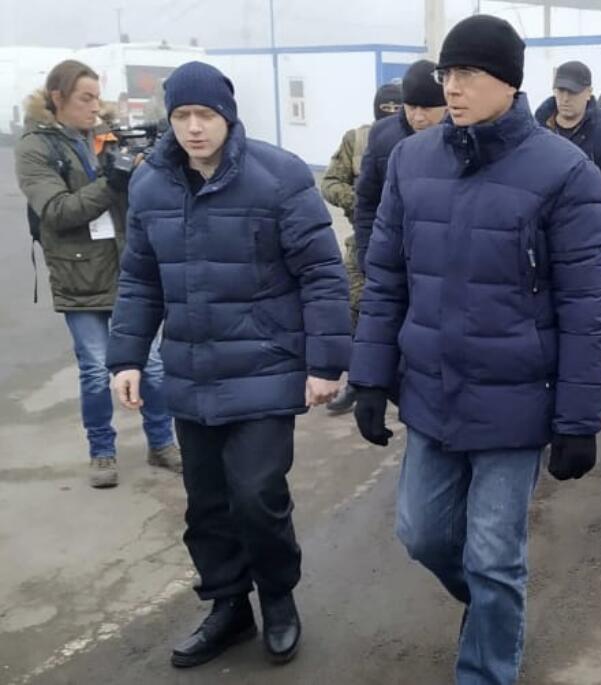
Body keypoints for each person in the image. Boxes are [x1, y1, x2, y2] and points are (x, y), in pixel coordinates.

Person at [348, 16, 601, 685]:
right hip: (432, 387)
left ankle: (487, 666)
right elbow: (387, 278)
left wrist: (579, 420)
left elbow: (586, 310)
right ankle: (495, 607)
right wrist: (371, 376)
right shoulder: (413, 160)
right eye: (447, 74)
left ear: (509, 83)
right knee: (422, 533)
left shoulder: (565, 172)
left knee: (496, 554)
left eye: (468, 75)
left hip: (517, 399)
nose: (452, 88)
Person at [106, 61, 351, 668]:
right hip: (191, 372)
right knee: (207, 503)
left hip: (265, 367)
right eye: (182, 116)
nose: (193, 128)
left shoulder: (279, 177)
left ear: (228, 116)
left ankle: (278, 598)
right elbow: (139, 278)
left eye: (205, 115)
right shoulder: (151, 184)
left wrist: (325, 362)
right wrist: (127, 357)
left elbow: (321, 273)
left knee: (257, 495)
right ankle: (228, 607)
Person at [15, 59, 179, 489]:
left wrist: (144, 166)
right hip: (79, 275)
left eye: (97, 96)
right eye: (85, 98)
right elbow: (56, 211)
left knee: (155, 366)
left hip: (129, 269)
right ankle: (102, 452)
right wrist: (113, 179)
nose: (95, 106)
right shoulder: (36, 147)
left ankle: (162, 443)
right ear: (58, 98)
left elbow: (139, 195)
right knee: (93, 370)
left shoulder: (106, 136)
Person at [535, 60, 601, 359]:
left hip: (591, 240)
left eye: (573, 91)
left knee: (589, 321)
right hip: (543, 239)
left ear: (589, 92)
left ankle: (595, 391)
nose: (565, 98)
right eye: (560, 90)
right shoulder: (536, 128)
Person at [319, 82, 403, 414]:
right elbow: (329, 182)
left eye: (399, 108)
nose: (394, 114)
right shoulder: (358, 139)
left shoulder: (419, 140)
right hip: (362, 239)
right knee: (356, 311)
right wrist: (358, 202)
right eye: (388, 108)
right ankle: (359, 380)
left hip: (403, 241)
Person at [352, 60, 447, 274]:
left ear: (447, 105)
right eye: (412, 107)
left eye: (428, 108)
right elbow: (367, 204)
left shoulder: (462, 138)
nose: (419, 117)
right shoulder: (382, 135)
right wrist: (368, 258)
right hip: (394, 259)